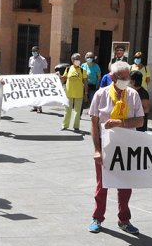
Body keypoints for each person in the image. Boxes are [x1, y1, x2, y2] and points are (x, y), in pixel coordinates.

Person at [88, 61, 144, 234]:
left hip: (126, 149)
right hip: (106, 148)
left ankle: (124, 219)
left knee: (125, 186)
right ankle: (97, 218)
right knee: (102, 185)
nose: (127, 80)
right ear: (112, 77)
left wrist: (121, 122)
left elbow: (140, 120)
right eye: (123, 77)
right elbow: (94, 124)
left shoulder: (133, 95)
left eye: (128, 77)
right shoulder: (100, 95)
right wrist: (97, 150)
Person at [61, 53, 87, 132]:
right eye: (76, 59)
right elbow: (64, 79)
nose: (77, 60)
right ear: (72, 60)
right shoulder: (68, 69)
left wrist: (86, 93)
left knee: (77, 111)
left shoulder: (83, 70)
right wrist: (59, 76)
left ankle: (76, 126)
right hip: (69, 93)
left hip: (79, 94)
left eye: (79, 59)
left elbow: (85, 82)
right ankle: (65, 125)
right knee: (67, 110)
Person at [29, 46, 48, 113]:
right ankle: (34, 107)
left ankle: (39, 107)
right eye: (32, 51)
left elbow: (45, 68)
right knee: (33, 92)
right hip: (32, 78)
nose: (33, 52)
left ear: (38, 51)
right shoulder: (31, 58)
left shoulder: (42, 59)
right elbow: (30, 68)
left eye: (35, 51)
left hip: (39, 78)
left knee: (39, 93)